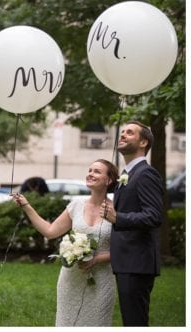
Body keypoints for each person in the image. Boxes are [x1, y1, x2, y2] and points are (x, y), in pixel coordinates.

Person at [11, 159, 118, 326]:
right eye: (89, 170)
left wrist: (97, 259)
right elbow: (50, 231)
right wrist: (26, 206)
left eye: (97, 171)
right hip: (71, 279)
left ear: (109, 180)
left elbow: (126, 249)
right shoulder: (76, 205)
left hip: (101, 279)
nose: (90, 173)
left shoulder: (116, 210)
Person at [100, 121, 163, 326]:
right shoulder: (127, 175)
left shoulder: (146, 174)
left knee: (135, 322)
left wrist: (119, 218)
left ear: (143, 142)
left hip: (137, 262)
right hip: (127, 261)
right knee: (131, 320)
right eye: (123, 132)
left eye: (130, 133)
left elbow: (154, 216)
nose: (123, 135)